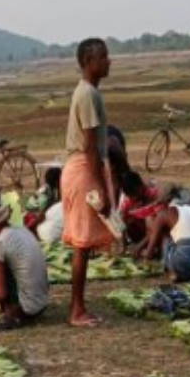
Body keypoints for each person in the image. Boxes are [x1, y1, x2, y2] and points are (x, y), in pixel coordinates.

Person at [61, 38, 115, 328]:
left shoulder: (89, 92)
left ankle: (79, 305)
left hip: (83, 167)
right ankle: (76, 309)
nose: (108, 61)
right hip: (84, 169)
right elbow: (91, 146)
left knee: (84, 242)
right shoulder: (88, 95)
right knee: (82, 244)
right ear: (89, 62)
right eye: (103, 57)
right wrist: (99, 187)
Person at [0, 193, 49, 330]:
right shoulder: (22, 230)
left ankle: (12, 315)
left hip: (25, 309)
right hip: (41, 304)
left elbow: (0, 294)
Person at [134, 184, 190, 282]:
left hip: (183, 261)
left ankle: (172, 271)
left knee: (165, 234)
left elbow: (150, 250)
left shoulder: (164, 213)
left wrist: (143, 254)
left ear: (165, 202)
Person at [119, 171, 162, 244]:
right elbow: (121, 219)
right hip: (140, 230)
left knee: (150, 218)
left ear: (141, 186)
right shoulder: (126, 200)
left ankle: (147, 244)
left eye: (136, 193)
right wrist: (123, 241)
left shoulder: (151, 191)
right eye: (131, 196)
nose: (134, 198)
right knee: (120, 217)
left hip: (154, 228)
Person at [24, 166, 61, 235]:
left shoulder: (52, 190)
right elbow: (41, 214)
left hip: (38, 214)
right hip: (32, 217)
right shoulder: (45, 194)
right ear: (56, 181)